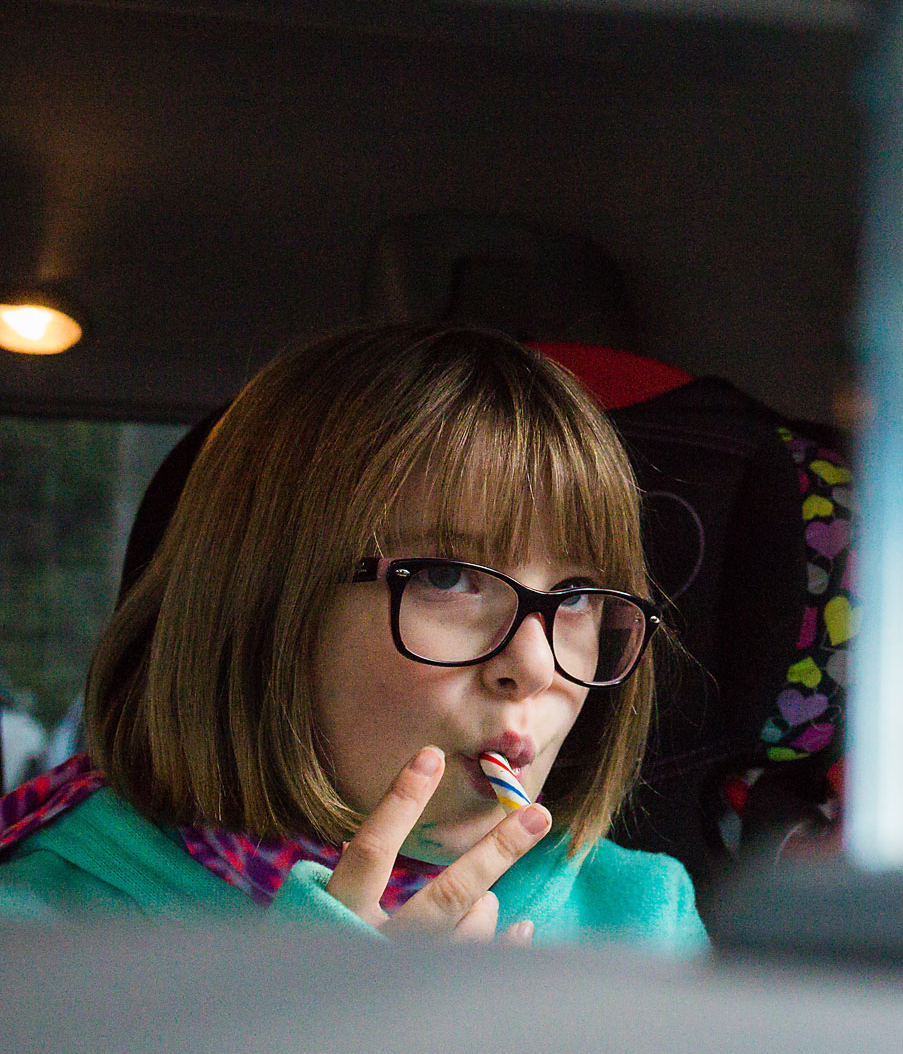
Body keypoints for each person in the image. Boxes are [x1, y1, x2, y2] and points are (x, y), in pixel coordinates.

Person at [0, 324, 706, 953]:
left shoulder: (641, 922)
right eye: (445, 575)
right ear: (261, 606)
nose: (533, 663)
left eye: (577, 595)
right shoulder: (42, 936)